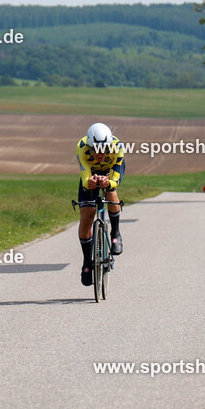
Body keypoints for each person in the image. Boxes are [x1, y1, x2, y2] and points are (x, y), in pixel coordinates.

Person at [76, 122, 125, 286]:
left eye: (103, 150)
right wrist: (88, 182)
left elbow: (116, 178)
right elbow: (84, 175)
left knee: (111, 192)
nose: (99, 154)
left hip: (110, 171)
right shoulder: (81, 147)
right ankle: (86, 262)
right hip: (91, 173)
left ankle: (115, 234)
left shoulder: (118, 147)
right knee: (87, 214)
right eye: (95, 150)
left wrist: (109, 182)